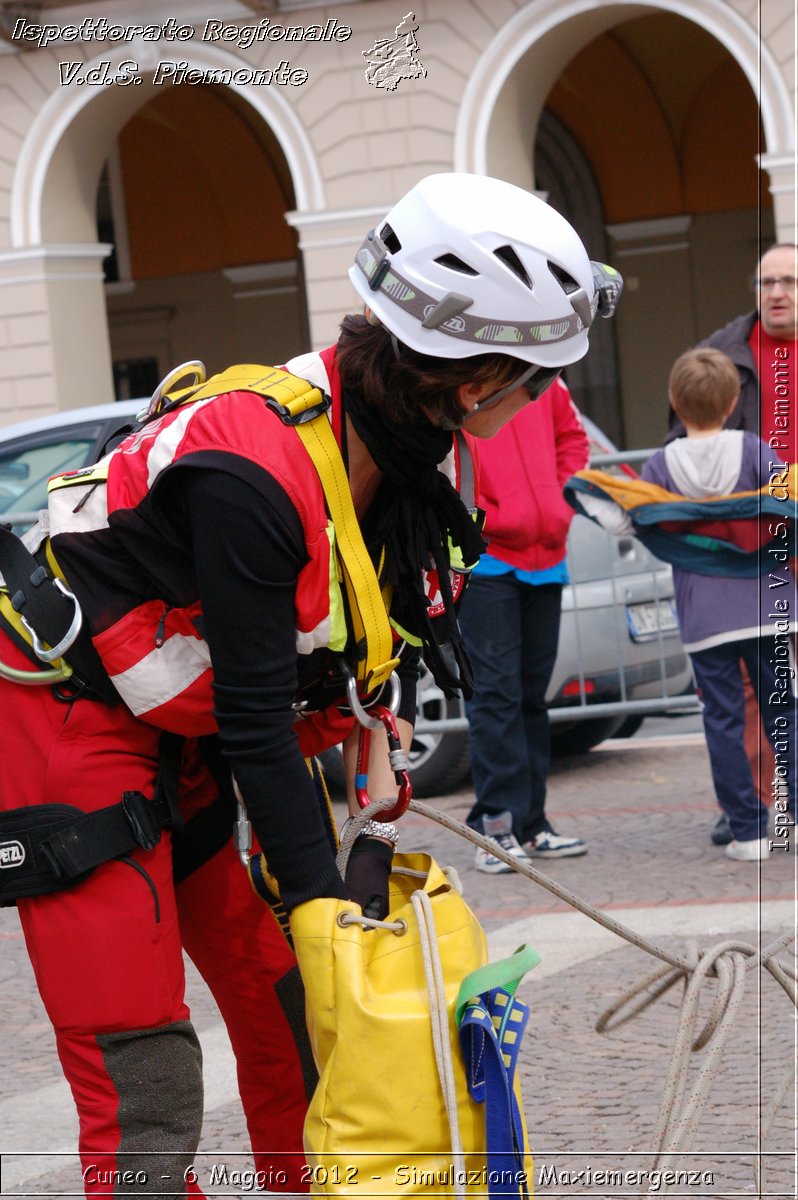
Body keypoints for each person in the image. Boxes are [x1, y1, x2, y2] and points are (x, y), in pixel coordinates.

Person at [0, 173, 619, 1196]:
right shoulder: (255, 470)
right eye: (540, 380)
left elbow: (376, 672)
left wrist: (365, 851)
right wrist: (327, 911)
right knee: (143, 1065)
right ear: (476, 383)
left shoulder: (406, 457)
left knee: (289, 1007)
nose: (542, 400)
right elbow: (254, 721)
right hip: (67, 721)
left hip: (179, 724)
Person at [581, 346, 796, 861]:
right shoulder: (754, 450)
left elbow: (628, 518)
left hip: (704, 616)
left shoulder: (661, 463)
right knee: (785, 711)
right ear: (732, 403)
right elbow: (785, 507)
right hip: (767, 605)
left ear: (675, 402)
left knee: (722, 721)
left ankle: (748, 833)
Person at [668, 244, 798, 843]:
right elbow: (681, 444)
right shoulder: (720, 351)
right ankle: (753, 808)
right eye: (767, 282)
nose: (776, 292)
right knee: (749, 698)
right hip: (749, 559)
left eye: (789, 281)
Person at [459, 377, 590, 871]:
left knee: (531, 695)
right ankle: (494, 826)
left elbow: (573, 441)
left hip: (546, 556)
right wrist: (481, 512)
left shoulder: (548, 381)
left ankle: (531, 825)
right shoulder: (465, 376)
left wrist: (557, 502)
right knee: (496, 695)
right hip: (487, 561)